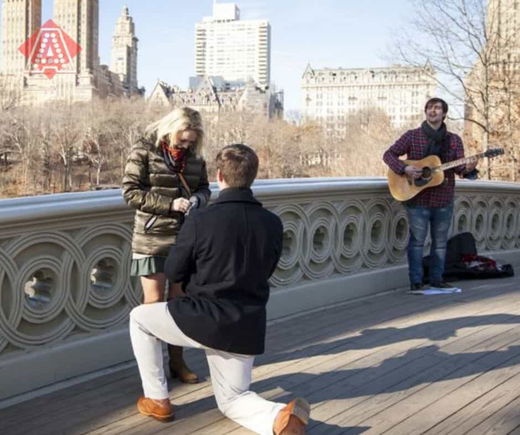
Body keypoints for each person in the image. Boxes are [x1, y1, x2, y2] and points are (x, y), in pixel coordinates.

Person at [128, 144, 310, 434]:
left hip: (201, 318)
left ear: (219, 176)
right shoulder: (273, 224)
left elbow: (174, 271)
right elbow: (267, 270)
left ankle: (158, 399)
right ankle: (280, 417)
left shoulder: (200, 220)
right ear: (252, 177)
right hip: (246, 324)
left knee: (140, 318)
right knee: (233, 400)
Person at [122, 107, 210, 384]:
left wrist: (197, 200)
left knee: (179, 303)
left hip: (185, 237)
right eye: (182, 140)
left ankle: (177, 361)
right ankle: (153, 369)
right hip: (151, 238)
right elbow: (130, 192)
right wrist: (169, 204)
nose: (186, 145)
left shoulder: (196, 157)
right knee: (151, 305)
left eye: (191, 141)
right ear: (170, 130)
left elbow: (205, 188)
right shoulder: (144, 150)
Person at [383, 98, 478, 291]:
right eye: (429, 108)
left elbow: (459, 169)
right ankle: (416, 282)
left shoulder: (453, 140)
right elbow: (389, 155)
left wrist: (469, 167)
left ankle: (437, 280)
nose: (432, 111)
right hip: (416, 199)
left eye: (437, 108)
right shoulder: (412, 136)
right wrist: (406, 168)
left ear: (444, 114)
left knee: (440, 243)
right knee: (417, 242)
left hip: (443, 199)